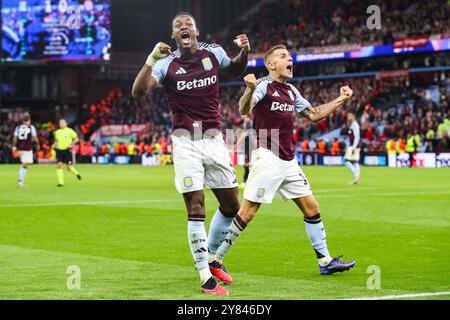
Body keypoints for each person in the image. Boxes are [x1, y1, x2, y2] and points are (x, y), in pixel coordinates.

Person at [211, 45, 355, 288]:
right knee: (248, 212)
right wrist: (249, 89)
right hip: (267, 157)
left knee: (311, 208)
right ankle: (216, 259)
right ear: (271, 65)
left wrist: (341, 99)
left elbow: (314, 114)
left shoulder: (291, 90)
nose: (289, 59)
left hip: (289, 161)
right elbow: (244, 109)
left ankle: (325, 261)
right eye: (283, 56)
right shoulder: (263, 86)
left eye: (290, 56)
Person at [132, 12, 250, 296]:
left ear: (197, 30)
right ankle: (205, 277)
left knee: (232, 206)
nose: (183, 27)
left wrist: (244, 52)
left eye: (188, 24)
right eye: (177, 26)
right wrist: (150, 58)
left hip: (214, 140)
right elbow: (139, 91)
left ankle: (211, 257)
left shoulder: (214, 53)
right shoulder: (166, 64)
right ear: (174, 36)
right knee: (196, 207)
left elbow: (234, 70)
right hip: (185, 142)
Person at [12, 113, 40, 187]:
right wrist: (37, 144)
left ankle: (21, 180)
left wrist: (14, 147)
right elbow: (34, 138)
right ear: (29, 119)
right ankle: (20, 181)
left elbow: (15, 138)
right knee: (24, 164)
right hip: (27, 148)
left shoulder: (18, 127)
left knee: (25, 164)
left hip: (20, 148)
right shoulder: (31, 127)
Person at [53, 119, 82, 187]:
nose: (61, 124)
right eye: (60, 123)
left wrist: (71, 144)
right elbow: (57, 141)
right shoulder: (57, 132)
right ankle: (60, 183)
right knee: (59, 165)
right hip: (59, 150)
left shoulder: (70, 131)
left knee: (68, 167)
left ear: (66, 123)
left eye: (63, 123)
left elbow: (76, 139)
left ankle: (77, 174)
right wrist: (55, 145)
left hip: (67, 150)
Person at [236, 115, 255, 189]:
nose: (240, 115)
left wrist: (238, 143)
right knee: (247, 163)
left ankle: (246, 182)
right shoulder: (249, 121)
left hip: (249, 144)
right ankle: (247, 181)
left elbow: (245, 133)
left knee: (248, 164)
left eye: (242, 113)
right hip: (249, 144)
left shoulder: (248, 121)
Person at [342, 112, 361, 184]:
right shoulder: (351, 125)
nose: (348, 117)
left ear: (353, 116)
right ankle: (357, 178)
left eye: (349, 115)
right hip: (352, 146)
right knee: (355, 162)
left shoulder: (355, 125)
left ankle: (356, 176)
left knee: (346, 160)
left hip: (354, 146)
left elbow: (357, 137)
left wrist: (353, 147)